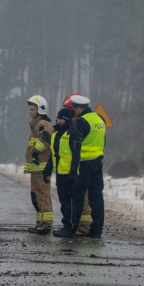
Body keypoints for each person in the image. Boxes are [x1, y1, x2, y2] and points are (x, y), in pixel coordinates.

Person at [63, 94, 106, 238]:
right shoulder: (99, 119)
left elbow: (76, 146)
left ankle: (72, 229)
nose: (74, 111)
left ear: (78, 108)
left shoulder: (82, 121)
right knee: (96, 197)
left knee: (78, 196)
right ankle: (96, 231)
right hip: (98, 162)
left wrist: (73, 170)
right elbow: (104, 141)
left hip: (84, 163)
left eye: (74, 109)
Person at [61, 93, 92, 235]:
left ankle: (83, 226)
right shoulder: (74, 124)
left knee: (82, 197)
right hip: (78, 166)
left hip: (81, 166)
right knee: (77, 198)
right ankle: (77, 224)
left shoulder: (79, 124)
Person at [45, 107, 79, 236]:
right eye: (57, 119)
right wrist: (47, 170)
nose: (58, 121)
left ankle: (70, 228)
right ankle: (66, 226)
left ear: (66, 119)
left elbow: (76, 155)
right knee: (63, 202)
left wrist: (73, 173)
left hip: (69, 175)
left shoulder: (72, 133)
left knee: (69, 202)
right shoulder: (57, 134)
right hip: (60, 173)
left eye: (60, 119)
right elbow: (53, 155)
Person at [24, 95, 54, 234]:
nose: (29, 112)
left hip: (41, 169)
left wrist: (35, 151)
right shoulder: (36, 125)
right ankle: (40, 223)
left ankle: (46, 224)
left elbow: (46, 140)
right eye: (29, 109)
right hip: (36, 169)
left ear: (40, 110)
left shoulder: (42, 124)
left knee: (42, 196)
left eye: (32, 109)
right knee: (36, 197)